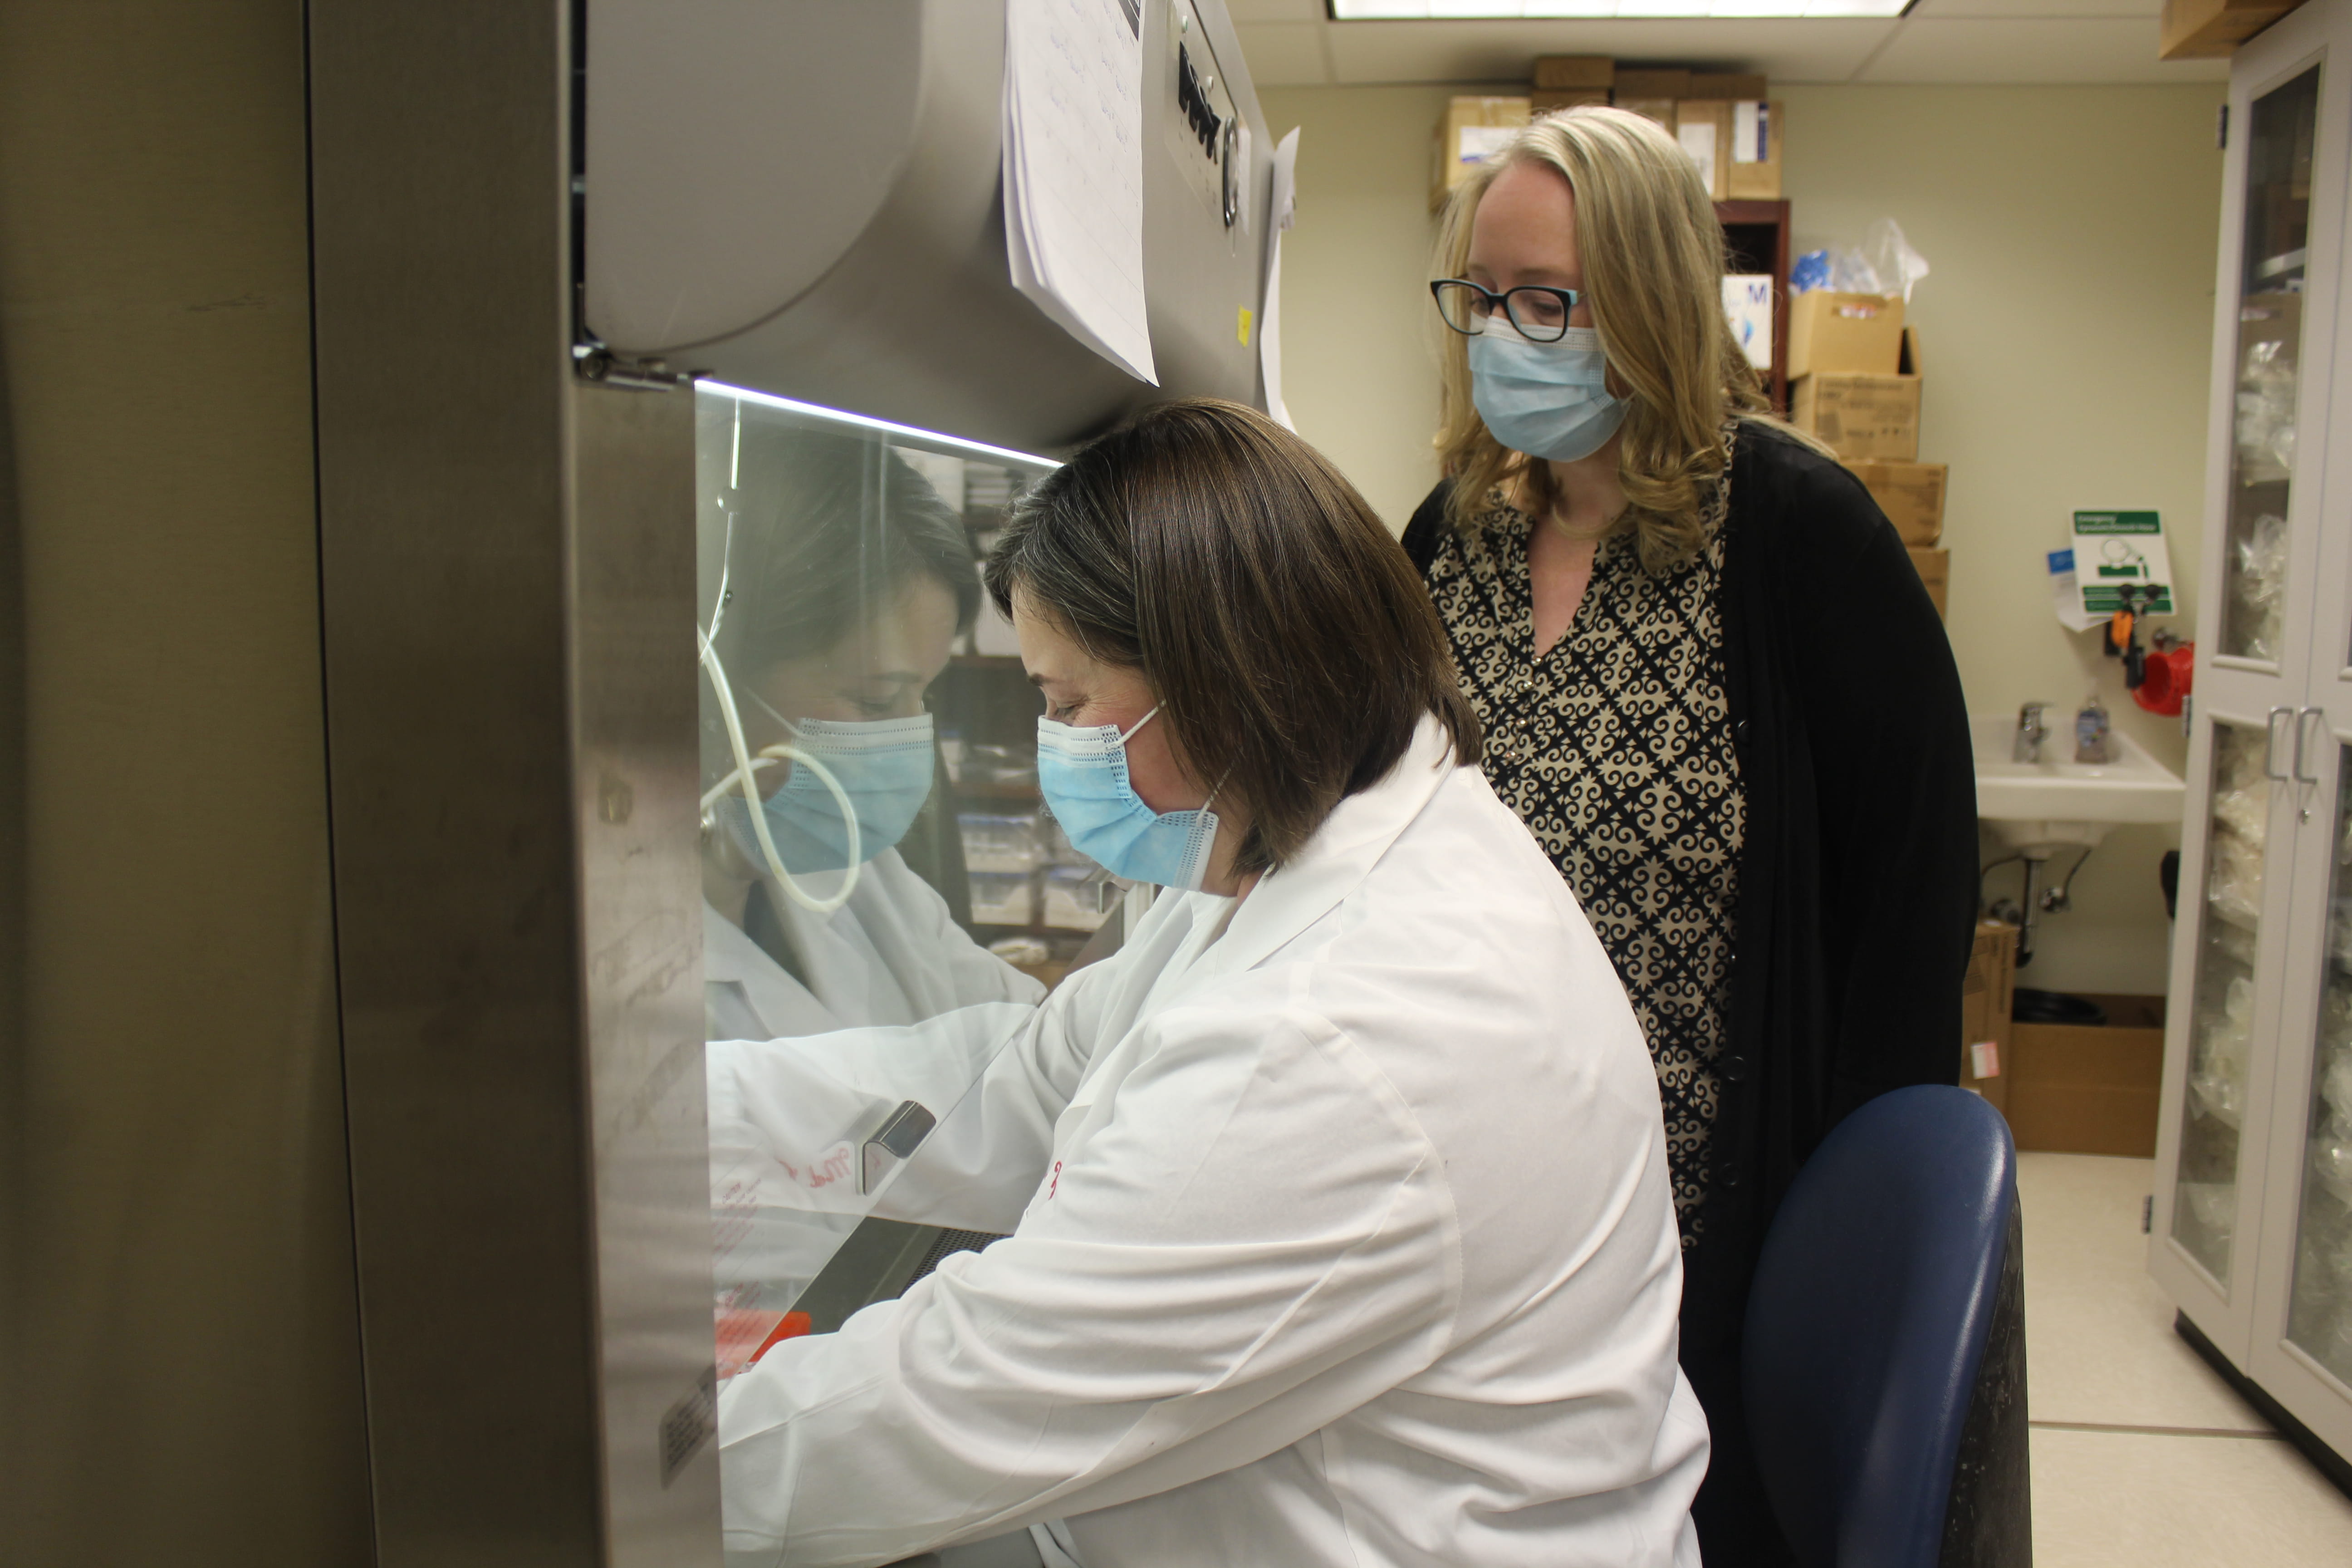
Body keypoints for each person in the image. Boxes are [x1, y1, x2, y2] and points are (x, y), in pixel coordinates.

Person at [710, 399, 1709, 1568]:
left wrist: (629, 1469)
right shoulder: (1319, 855)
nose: (1055, 747)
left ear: (1227, 678)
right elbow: (1006, 1083)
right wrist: (653, 1121)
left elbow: (971, 1398)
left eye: (1069, 703)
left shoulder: (1343, 1027)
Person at [1402, 106, 1978, 1565]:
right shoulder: (1451, 535)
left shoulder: (1798, 539)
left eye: (1547, 302)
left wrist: (1838, 1254)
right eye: (1483, 300)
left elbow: (1909, 910)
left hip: (1700, 1226)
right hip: (1466, 1196)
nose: (1502, 336)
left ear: (1653, 302)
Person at [696, 423, 1044, 1042]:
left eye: (925, 694)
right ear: (711, 677)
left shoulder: (855, 879)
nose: (912, 739)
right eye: (877, 697)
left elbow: (1031, 1036)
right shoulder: (626, 967)